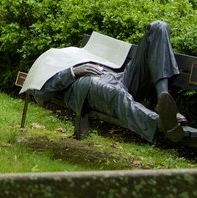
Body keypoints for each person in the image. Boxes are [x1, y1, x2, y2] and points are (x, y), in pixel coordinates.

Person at [31, 21, 184, 143]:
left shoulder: (74, 52)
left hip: (118, 77)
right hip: (88, 83)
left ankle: (162, 100)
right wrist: (73, 71)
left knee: (158, 27)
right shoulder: (48, 67)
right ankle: (160, 123)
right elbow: (41, 94)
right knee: (116, 94)